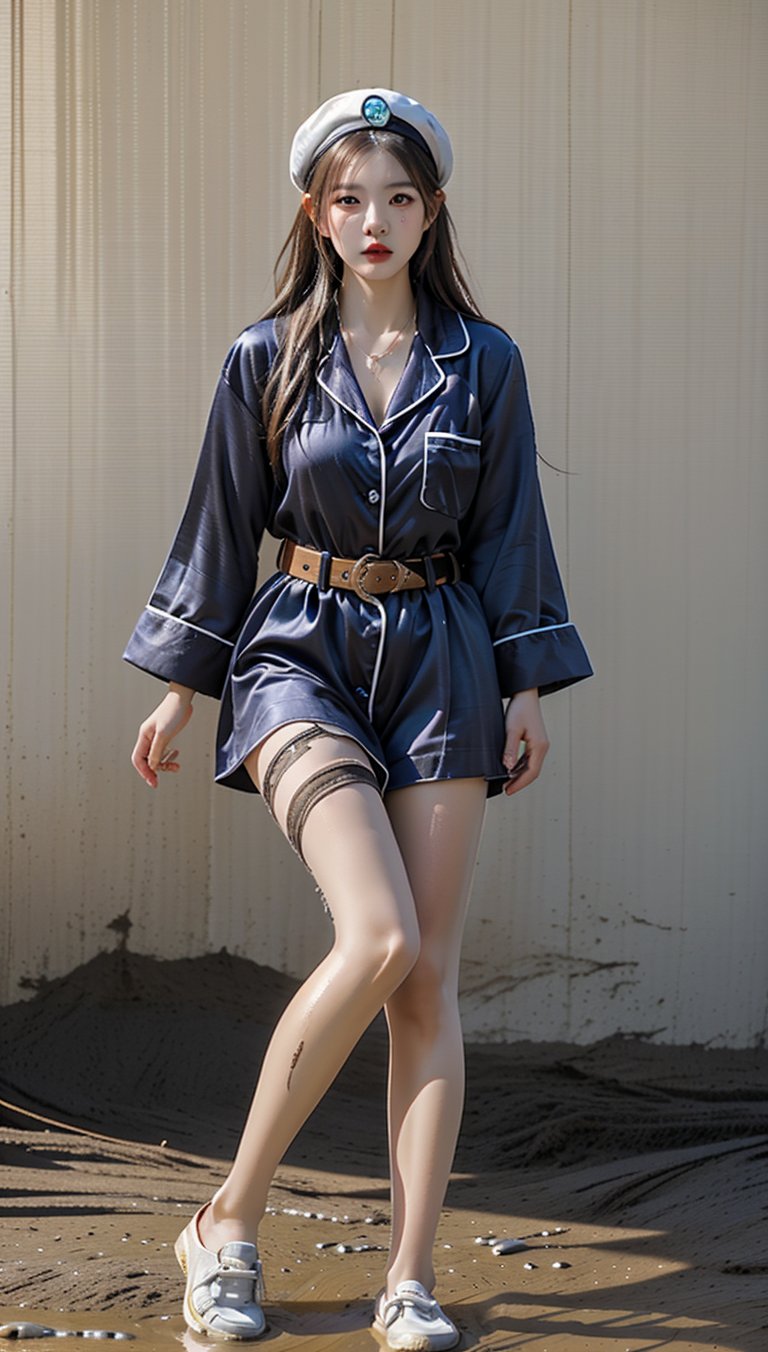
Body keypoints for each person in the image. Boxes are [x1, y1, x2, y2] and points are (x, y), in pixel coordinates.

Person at [124, 88, 592, 1351]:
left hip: (446, 660)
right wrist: (186, 684)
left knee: (426, 978)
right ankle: (228, 1219)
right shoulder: (262, 356)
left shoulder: (483, 361)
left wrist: (527, 681)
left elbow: (508, 533)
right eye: (347, 198)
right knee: (378, 933)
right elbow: (220, 529)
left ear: (430, 211)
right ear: (316, 215)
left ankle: (410, 1278)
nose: (372, 218)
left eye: (396, 196)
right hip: (298, 656)